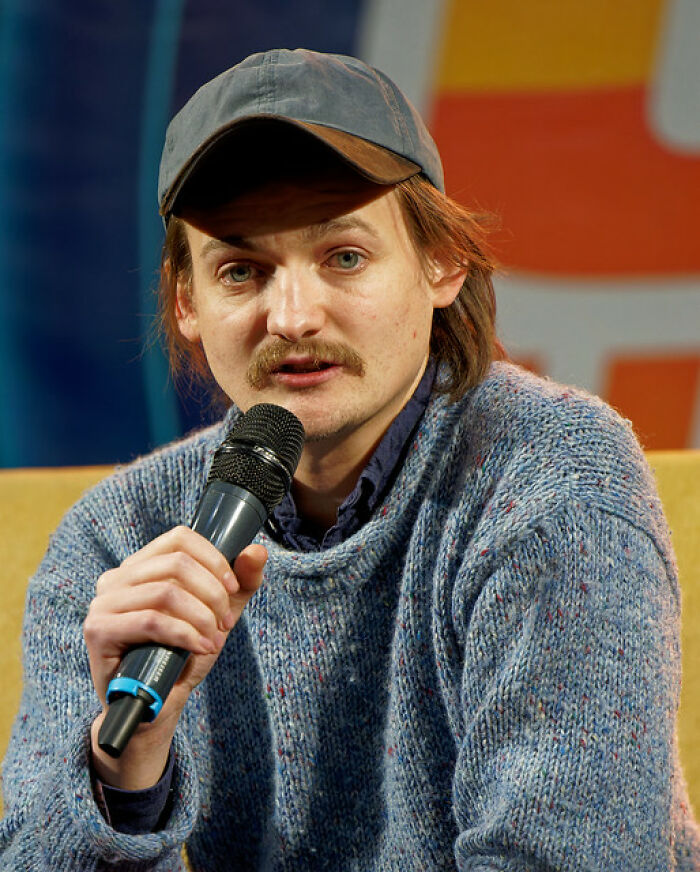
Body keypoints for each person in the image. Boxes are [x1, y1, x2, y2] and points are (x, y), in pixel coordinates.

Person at [1, 47, 698, 871]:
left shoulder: (553, 482)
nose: (293, 316)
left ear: (442, 264)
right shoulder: (119, 544)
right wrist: (124, 772)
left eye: (343, 257)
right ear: (188, 303)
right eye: (241, 270)